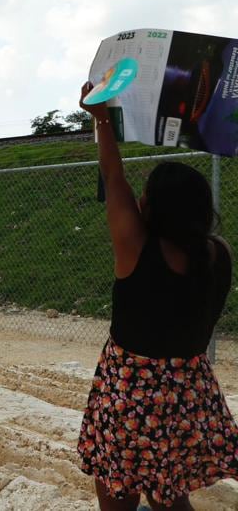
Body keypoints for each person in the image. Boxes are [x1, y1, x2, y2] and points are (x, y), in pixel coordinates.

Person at [77, 81, 238, 511]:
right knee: (172, 497)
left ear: (152, 208)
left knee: (119, 496)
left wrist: (102, 119)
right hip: (187, 394)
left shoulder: (138, 250)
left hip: (132, 396)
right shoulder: (219, 254)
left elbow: (113, 176)